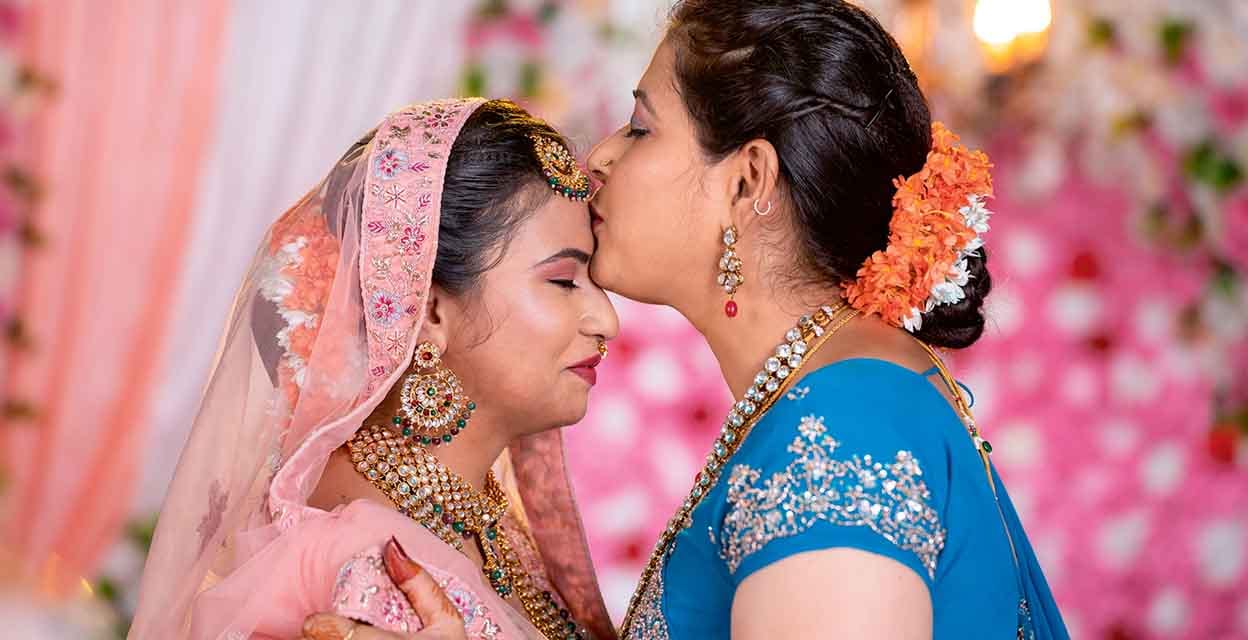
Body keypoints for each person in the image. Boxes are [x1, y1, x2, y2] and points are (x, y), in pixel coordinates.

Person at [581, 1, 1069, 638]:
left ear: (748, 179)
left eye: (640, 128)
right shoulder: (850, 394)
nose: (599, 156)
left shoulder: (840, 429)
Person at [129, 98, 619, 640]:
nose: (606, 319)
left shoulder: (482, 525)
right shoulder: (369, 563)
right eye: (564, 281)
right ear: (429, 309)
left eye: (595, 282)